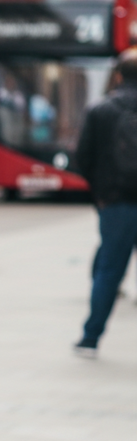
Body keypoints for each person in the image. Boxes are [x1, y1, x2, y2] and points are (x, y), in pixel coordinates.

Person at [73, 48, 137, 356]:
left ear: (118, 75)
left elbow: (83, 157)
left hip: (115, 201)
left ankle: (91, 337)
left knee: (109, 270)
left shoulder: (101, 110)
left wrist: (101, 192)